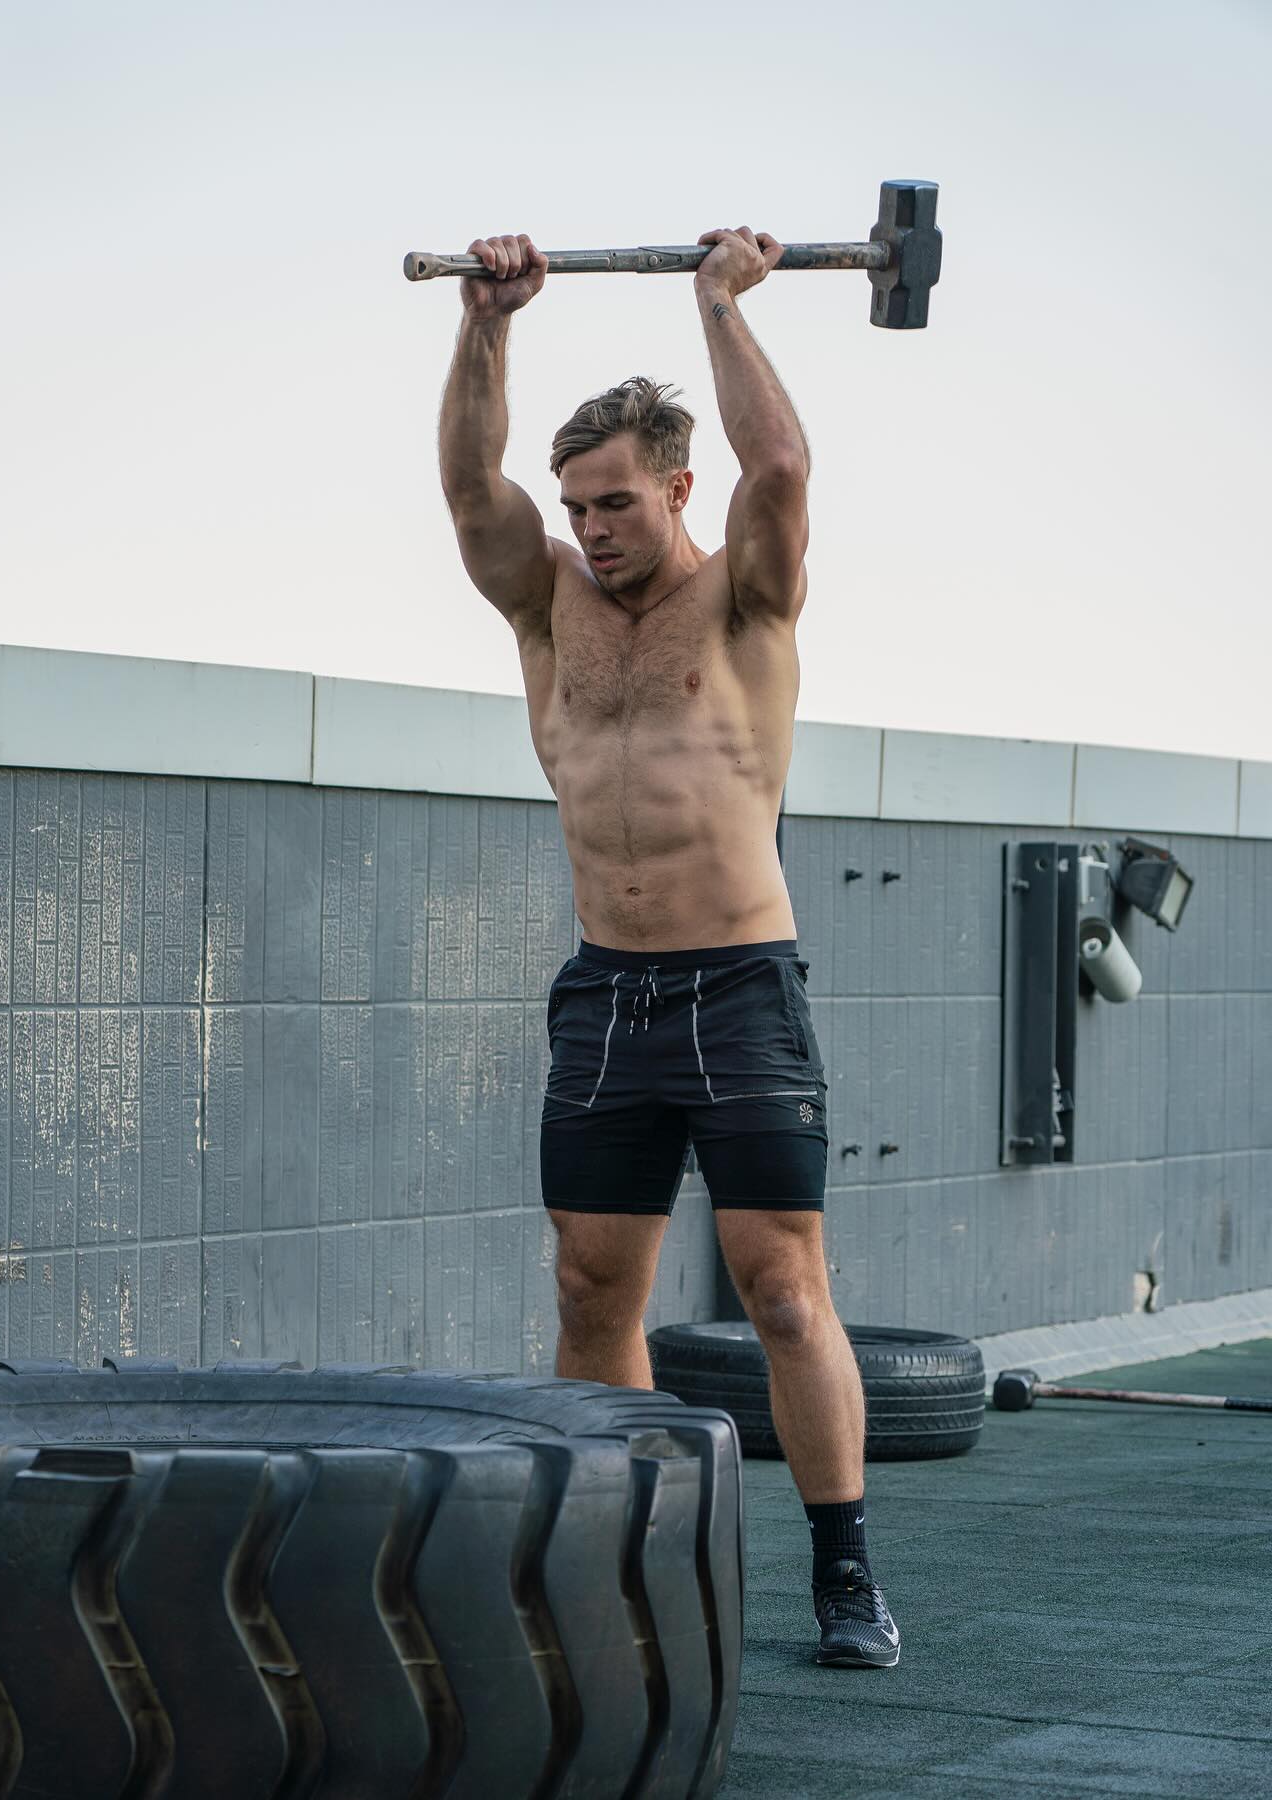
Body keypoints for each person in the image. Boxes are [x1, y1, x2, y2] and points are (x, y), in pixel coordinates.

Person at [437, 228, 899, 1670]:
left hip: (741, 986)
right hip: (607, 996)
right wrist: (487, 323)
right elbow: (470, 485)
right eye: (578, 505)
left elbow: (785, 469)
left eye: (617, 502)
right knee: (592, 1289)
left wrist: (721, 306)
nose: (591, 528)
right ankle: (620, 1567)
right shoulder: (547, 604)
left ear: (679, 488)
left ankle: (844, 1574)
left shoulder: (747, 597)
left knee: (782, 1289)